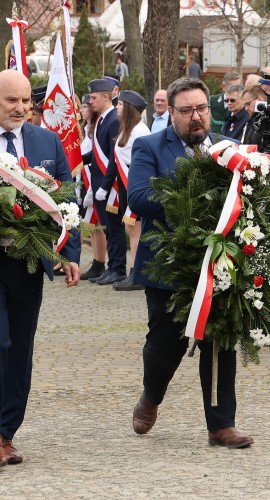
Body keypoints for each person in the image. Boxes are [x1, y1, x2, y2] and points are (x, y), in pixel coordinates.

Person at [127, 77, 254, 448]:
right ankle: (152, 394)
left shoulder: (227, 147)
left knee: (220, 341)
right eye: (186, 111)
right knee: (166, 342)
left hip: (219, 261)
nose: (196, 117)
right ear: (172, 113)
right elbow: (139, 197)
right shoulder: (150, 145)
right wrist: (194, 195)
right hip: (168, 264)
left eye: (201, 109)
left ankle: (221, 424)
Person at [0, 69, 80, 466]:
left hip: (28, 265)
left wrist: (71, 255)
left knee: (19, 347)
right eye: (10, 101)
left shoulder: (46, 141)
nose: (20, 108)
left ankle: (5, 433)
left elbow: (69, 202)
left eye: (25, 101)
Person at [82, 78, 127, 285]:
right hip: (99, 182)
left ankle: (118, 269)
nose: (90, 101)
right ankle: (111, 267)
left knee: (114, 229)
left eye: (93, 97)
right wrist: (76, 160)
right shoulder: (102, 119)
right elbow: (96, 153)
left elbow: (113, 158)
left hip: (110, 186)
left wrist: (104, 187)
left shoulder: (113, 120)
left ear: (106, 97)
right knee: (108, 228)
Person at [113, 90, 151, 291]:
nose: (117, 107)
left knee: (136, 231)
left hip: (136, 184)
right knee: (132, 230)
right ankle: (134, 272)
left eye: (120, 104)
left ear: (128, 108)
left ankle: (136, 274)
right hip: (126, 185)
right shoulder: (128, 129)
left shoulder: (141, 131)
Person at [80, 93, 107, 280]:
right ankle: (97, 263)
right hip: (85, 178)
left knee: (98, 224)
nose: (82, 110)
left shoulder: (96, 127)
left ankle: (101, 262)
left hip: (94, 178)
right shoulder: (86, 128)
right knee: (91, 224)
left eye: (84, 107)